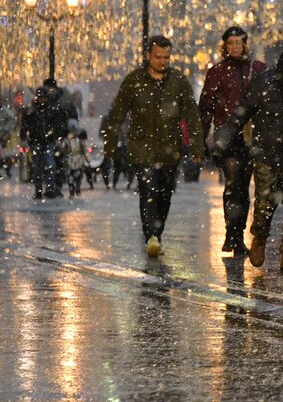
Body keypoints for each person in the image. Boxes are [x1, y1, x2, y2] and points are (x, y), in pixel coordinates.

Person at [212, 42, 283, 273]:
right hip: (266, 155)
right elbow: (240, 115)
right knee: (264, 207)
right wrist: (222, 142)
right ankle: (259, 239)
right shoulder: (263, 84)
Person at [102, 35, 205, 257]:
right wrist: (110, 145)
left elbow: (192, 116)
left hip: (170, 150)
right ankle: (151, 236)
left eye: (166, 57)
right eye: (158, 57)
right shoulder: (134, 81)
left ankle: (157, 233)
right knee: (148, 191)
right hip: (142, 149)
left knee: (165, 194)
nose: (162, 61)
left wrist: (197, 147)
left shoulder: (178, 81)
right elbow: (117, 114)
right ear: (149, 55)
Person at [199, 26, 266, 255]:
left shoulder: (257, 69)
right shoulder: (218, 72)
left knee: (243, 188)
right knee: (233, 184)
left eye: (239, 42)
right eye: (231, 43)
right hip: (227, 137)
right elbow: (206, 106)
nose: (236, 47)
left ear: (245, 44)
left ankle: (237, 235)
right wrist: (203, 136)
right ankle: (232, 234)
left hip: (251, 135)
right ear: (225, 46)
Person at [20, 86, 66, 199]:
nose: (41, 100)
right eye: (40, 97)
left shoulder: (48, 109)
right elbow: (25, 125)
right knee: (38, 168)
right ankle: (40, 190)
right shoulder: (33, 110)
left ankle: (48, 190)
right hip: (36, 142)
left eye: (42, 97)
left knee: (47, 165)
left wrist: (57, 138)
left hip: (46, 142)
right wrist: (24, 138)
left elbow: (56, 125)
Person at [60, 124, 89, 197]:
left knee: (78, 176)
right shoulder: (66, 141)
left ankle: (77, 187)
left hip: (78, 160)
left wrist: (88, 159)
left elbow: (84, 150)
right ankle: (71, 190)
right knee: (70, 176)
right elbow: (63, 149)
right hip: (70, 160)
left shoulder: (79, 141)